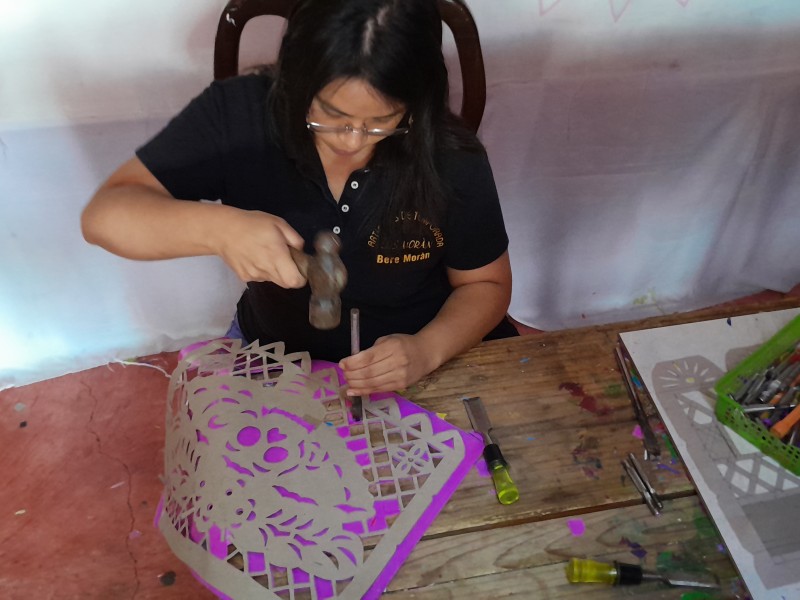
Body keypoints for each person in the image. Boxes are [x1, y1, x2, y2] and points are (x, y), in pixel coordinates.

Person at [81, 0, 516, 397]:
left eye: (383, 121)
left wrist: (426, 350)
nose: (353, 141)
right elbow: (105, 218)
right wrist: (217, 229)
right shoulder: (242, 115)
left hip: (421, 357)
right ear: (294, 80)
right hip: (278, 353)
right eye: (331, 114)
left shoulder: (448, 153)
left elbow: (487, 284)